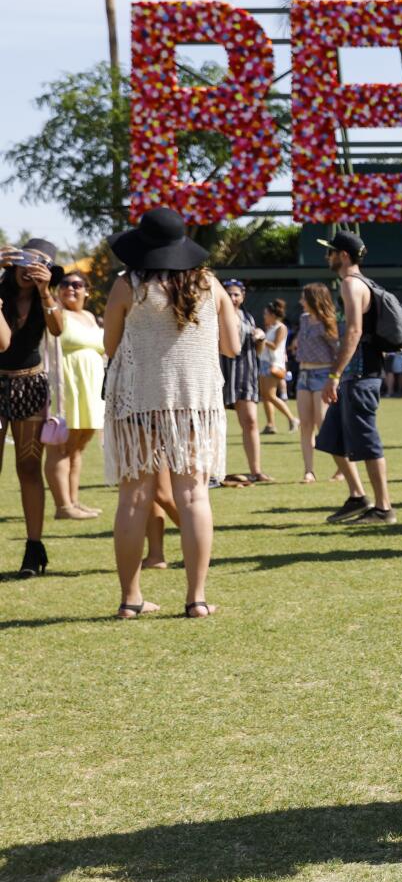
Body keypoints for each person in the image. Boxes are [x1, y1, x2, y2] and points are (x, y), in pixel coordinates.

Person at [101, 208, 236, 618]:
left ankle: (130, 599)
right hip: (194, 403)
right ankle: (196, 599)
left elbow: (110, 346)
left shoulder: (127, 285)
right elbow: (232, 346)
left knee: (133, 498)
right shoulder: (210, 284)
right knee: (193, 495)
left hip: (137, 401)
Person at [315, 232, 395, 525]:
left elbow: (354, 331)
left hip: (360, 374)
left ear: (344, 256)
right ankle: (358, 496)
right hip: (354, 375)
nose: (327, 257)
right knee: (331, 438)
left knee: (367, 440)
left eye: (331, 252)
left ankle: (384, 508)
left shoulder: (351, 284)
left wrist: (334, 375)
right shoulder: (358, 284)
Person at [1, 239, 62, 575]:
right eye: (26, 261)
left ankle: (33, 548)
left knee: (28, 467)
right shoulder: (1, 291)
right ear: (14, 261)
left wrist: (45, 291)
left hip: (30, 384)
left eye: (40, 264)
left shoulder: (45, 297)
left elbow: (57, 329)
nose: (30, 269)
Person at [44, 270, 104, 522]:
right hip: (67, 387)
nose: (70, 288)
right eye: (65, 284)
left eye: (77, 284)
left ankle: (74, 501)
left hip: (91, 389)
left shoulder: (90, 316)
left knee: (78, 447)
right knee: (61, 446)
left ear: (87, 291)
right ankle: (63, 505)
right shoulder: (56, 313)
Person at [215, 279, 270, 485]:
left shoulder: (248, 317)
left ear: (243, 296)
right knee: (215, 424)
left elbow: (258, 352)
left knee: (251, 421)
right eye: (229, 294)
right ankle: (214, 471)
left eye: (236, 294)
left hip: (245, 374)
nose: (233, 298)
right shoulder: (215, 315)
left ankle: (256, 471)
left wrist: (261, 339)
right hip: (221, 374)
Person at [293, 283, 339, 485]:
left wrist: (335, 377)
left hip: (322, 374)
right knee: (305, 425)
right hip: (303, 374)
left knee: (323, 423)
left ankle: (342, 467)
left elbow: (337, 350)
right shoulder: (304, 319)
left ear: (314, 299)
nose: (301, 301)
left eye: (304, 298)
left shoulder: (328, 321)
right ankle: (308, 471)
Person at [257, 300, 297, 436]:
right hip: (264, 362)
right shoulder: (270, 327)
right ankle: (270, 425)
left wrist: (262, 338)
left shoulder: (281, 327)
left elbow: (275, 346)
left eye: (266, 313)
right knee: (265, 396)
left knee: (271, 395)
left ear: (273, 315)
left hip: (274, 364)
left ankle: (292, 419)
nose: (264, 316)